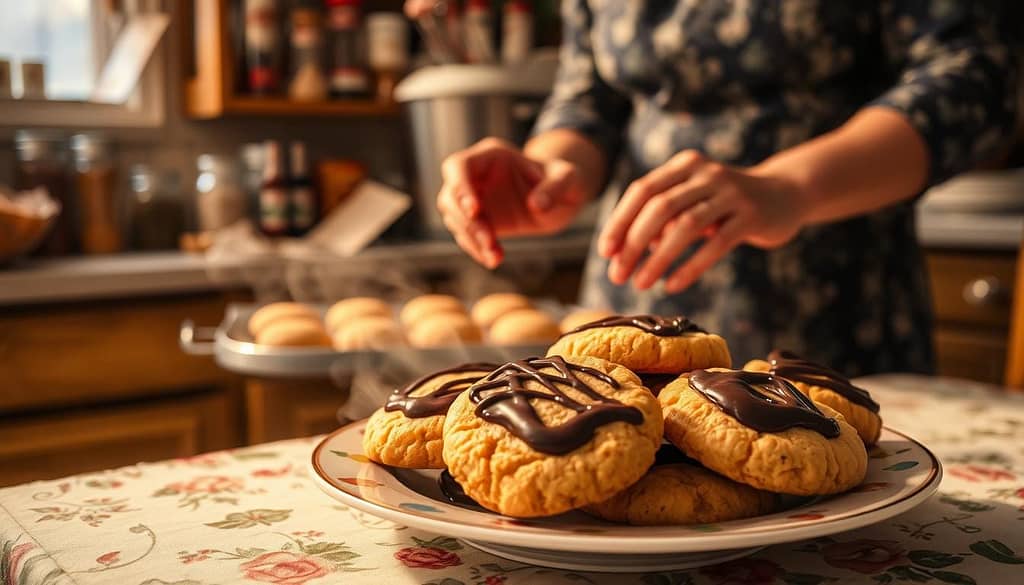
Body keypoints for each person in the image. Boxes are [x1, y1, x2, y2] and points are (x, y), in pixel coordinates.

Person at [426, 0, 1019, 375]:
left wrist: (787, 188)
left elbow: (979, 78)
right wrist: (553, 169)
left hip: (832, 315)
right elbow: (592, 94)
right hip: (632, 299)